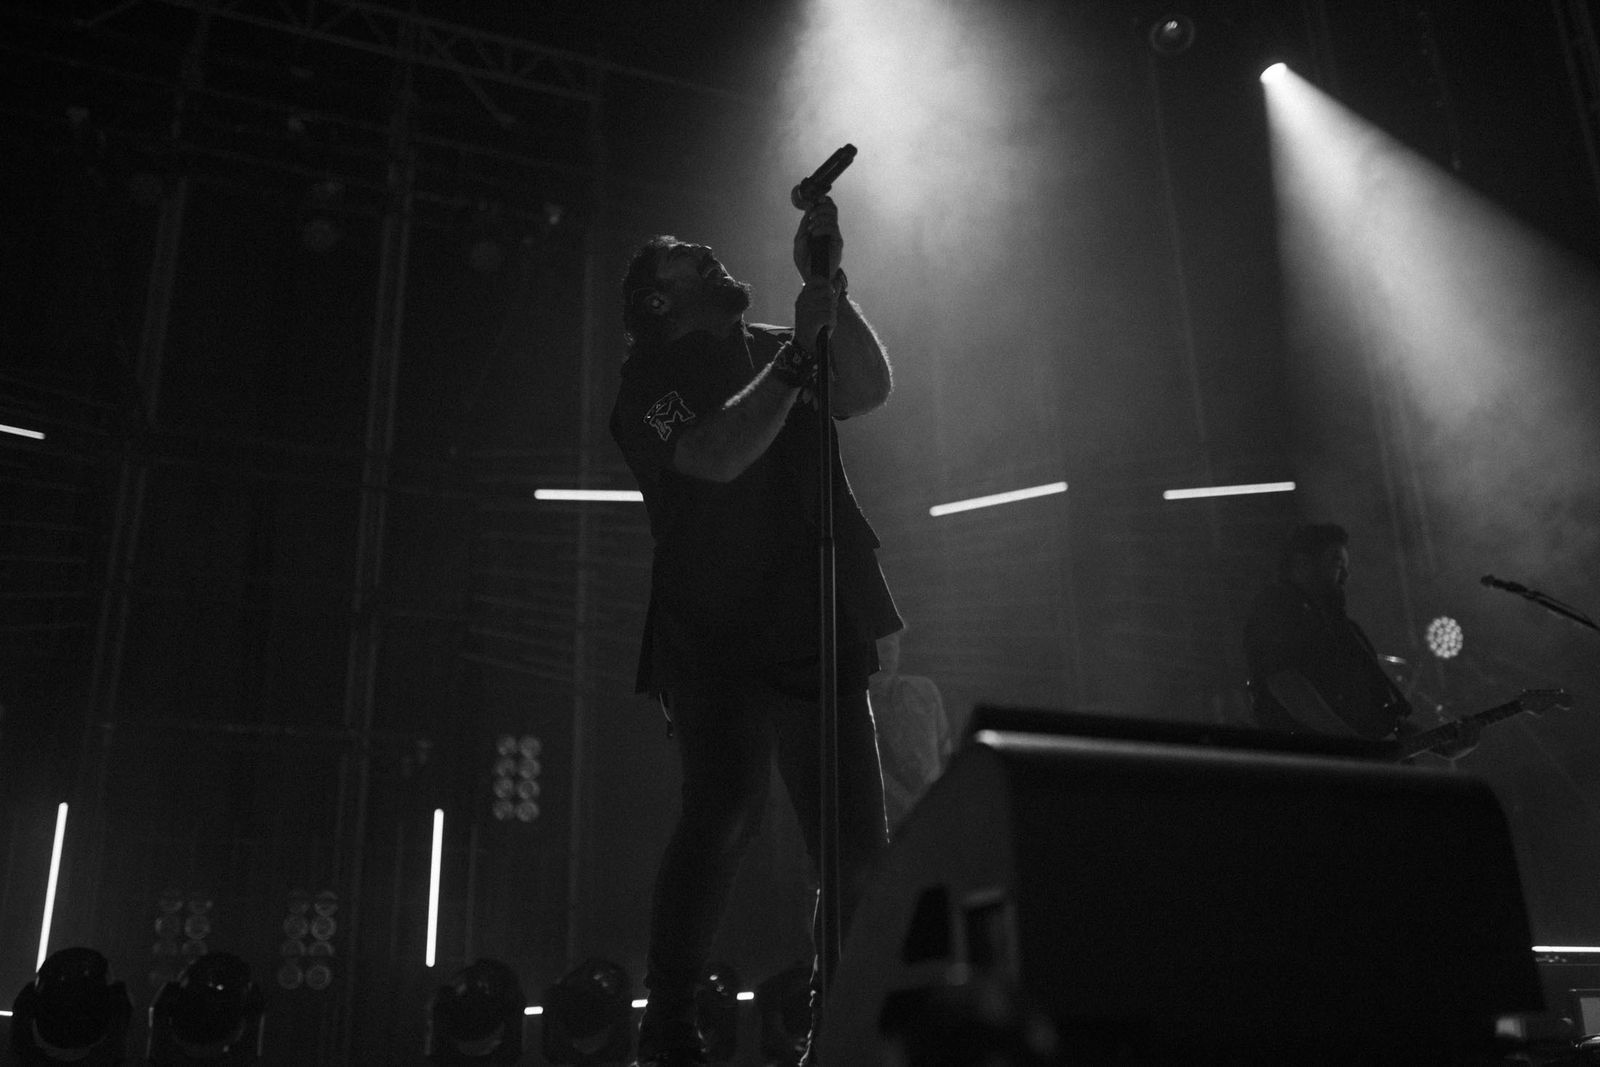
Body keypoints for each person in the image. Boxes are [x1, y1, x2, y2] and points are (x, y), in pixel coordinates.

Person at [609, 196, 901, 1066]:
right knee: (722, 812)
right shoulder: (647, 389)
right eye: (684, 260)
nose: (708, 256)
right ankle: (668, 1025)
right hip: (714, 631)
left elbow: (870, 388)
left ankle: (839, 1015)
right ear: (657, 302)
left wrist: (827, 296)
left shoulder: (782, 340)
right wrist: (788, 370)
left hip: (813, 612)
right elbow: (711, 454)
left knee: (853, 844)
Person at [1243, 523, 1415, 742]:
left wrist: (1439, 742)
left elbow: (1380, 717)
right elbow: (1286, 684)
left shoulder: (1346, 629)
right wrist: (1352, 745)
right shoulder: (1276, 609)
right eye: (1337, 563)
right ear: (1302, 563)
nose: (1346, 575)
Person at [867, 629, 951, 833]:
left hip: (933, 822)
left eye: (891, 645)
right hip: (886, 830)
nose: (886, 654)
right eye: (878, 647)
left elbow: (946, 753)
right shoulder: (846, 710)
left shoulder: (925, 691)